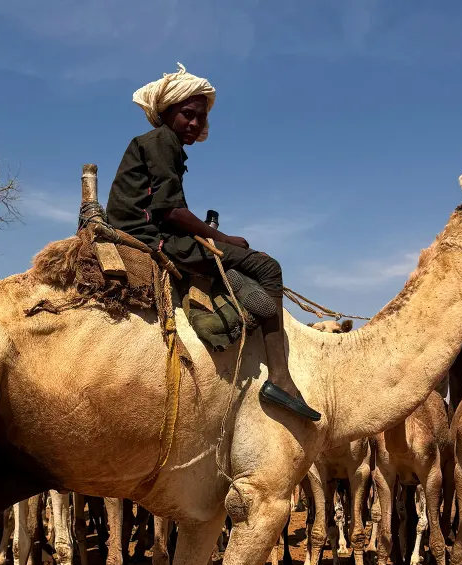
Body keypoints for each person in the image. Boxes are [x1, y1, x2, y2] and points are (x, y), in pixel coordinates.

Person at [105, 63, 321, 422]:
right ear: (168, 112)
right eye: (188, 114)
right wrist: (221, 237)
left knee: (235, 259)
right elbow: (171, 211)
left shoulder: (161, 144)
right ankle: (281, 379)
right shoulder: (162, 142)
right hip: (148, 238)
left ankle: (240, 303)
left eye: (200, 118)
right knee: (267, 266)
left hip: (149, 230)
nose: (194, 123)